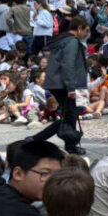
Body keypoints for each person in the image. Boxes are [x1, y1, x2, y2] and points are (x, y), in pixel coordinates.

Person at [34, 15, 90, 155]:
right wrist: (71, 87)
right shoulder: (71, 41)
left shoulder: (63, 40)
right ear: (79, 28)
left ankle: (38, 140)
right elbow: (68, 64)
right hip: (65, 84)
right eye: (85, 30)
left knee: (69, 115)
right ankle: (38, 140)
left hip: (59, 82)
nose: (86, 34)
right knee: (69, 115)